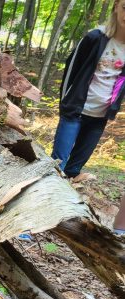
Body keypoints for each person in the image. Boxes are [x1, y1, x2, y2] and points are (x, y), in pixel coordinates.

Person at [52, 0, 125, 182]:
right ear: (116, 5)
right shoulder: (94, 38)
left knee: (73, 169)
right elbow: (71, 71)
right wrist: (66, 103)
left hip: (100, 117)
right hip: (75, 111)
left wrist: (114, 107)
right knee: (56, 166)